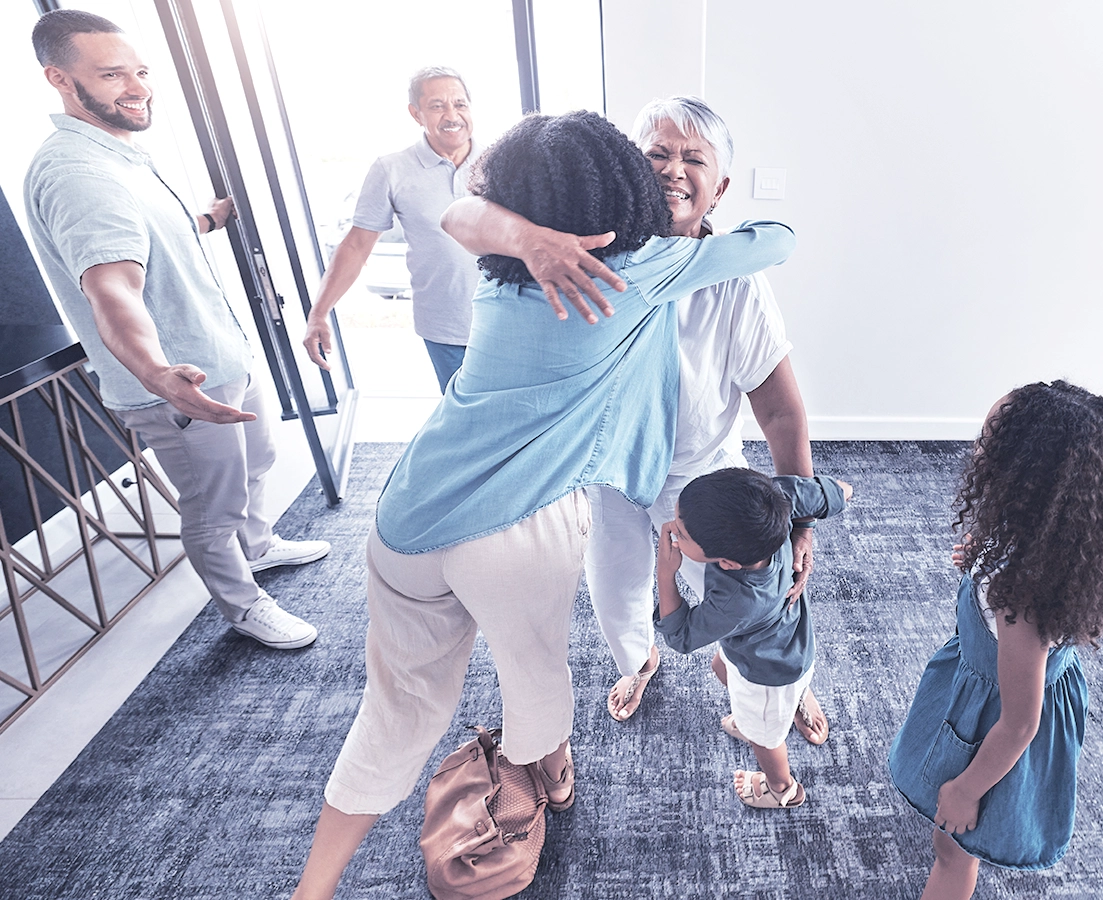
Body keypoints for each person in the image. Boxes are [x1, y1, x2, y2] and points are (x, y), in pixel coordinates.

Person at [288, 110, 796, 899]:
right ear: (623, 189)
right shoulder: (645, 266)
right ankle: (551, 782)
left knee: (393, 714)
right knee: (536, 680)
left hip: (404, 515)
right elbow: (778, 238)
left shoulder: (492, 275)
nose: (665, 171)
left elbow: (460, 209)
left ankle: (311, 888)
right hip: (511, 530)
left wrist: (523, 236)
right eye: (649, 160)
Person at [442, 96, 824, 733]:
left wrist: (800, 514)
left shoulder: (734, 276)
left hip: (702, 478)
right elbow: (462, 214)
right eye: (658, 154)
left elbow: (780, 410)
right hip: (610, 473)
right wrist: (530, 240)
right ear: (628, 170)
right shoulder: (589, 251)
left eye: (693, 159)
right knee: (614, 585)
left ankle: (776, 678)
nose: (675, 168)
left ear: (719, 187)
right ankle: (640, 659)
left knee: (759, 597)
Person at [24, 10, 328, 650]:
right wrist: (158, 374)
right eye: (111, 75)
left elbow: (146, 238)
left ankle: (261, 546)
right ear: (58, 78)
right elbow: (114, 289)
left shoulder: (117, 152)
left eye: (139, 70)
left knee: (258, 464)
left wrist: (208, 221)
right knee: (211, 510)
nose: (136, 86)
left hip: (221, 357)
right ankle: (243, 606)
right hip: (181, 383)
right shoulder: (79, 174)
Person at [889, 381, 1103, 899]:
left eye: (988, 444)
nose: (977, 448)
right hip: (1005, 682)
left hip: (994, 719)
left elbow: (1020, 723)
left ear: (1020, 481)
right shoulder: (1053, 546)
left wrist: (965, 790)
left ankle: (955, 862)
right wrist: (983, 551)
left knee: (954, 846)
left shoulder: (1019, 602)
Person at [654, 468, 851, 808]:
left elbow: (682, 636)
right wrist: (825, 504)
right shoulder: (776, 500)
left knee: (765, 737)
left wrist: (664, 573)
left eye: (681, 534)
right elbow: (840, 491)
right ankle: (788, 704)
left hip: (767, 672)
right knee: (721, 666)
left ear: (727, 563)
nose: (670, 530)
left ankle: (782, 788)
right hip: (789, 640)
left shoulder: (736, 601)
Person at [302, 66, 481, 392]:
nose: (452, 115)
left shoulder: (501, 159)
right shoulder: (391, 169)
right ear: (416, 114)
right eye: (438, 106)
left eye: (460, 104)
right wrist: (319, 313)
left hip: (510, 320)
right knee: (466, 426)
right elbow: (356, 246)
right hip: (446, 329)